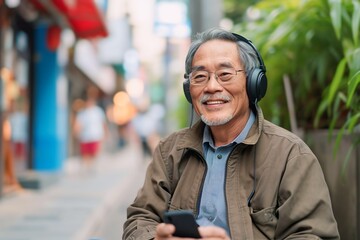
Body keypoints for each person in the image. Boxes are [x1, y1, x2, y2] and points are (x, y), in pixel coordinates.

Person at [123, 28, 339, 240]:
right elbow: (139, 220)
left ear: (254, 83)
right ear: (189, 89)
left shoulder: (291, 156)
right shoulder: (169, 151)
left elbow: (313, 235)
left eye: (225, 74)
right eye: (200, 76)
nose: (211, 86)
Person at [73, 96, 107, 171]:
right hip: (85, 137)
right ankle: (87, 167)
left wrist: (105, 133)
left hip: (95, 135)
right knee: (85, 153)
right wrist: (76, 132)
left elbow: (103, 123)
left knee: (94, 152)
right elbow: (78, 124)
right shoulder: (82, 113)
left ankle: (92, 166)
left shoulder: (98, 111)